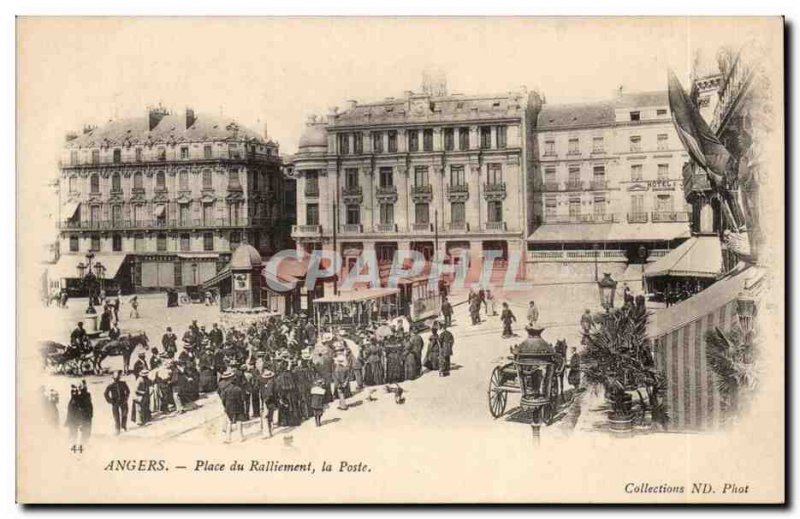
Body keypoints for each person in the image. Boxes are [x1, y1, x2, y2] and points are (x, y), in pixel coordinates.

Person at [218, 369, 246, 443]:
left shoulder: (224, 388)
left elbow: (223, 399)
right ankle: (241, 437)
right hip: (238, 407)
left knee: (229, 422)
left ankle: (228, 438)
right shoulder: (238, 389)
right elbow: (242, 399)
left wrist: (225, 406)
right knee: (239, 421)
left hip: (228, 407)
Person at [66, 381, 93, 445]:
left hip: (84, 417)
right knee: (73, 434)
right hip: (76, 417)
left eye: (80, 387)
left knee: (85, 433)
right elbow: (71, 409)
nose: (76, 389)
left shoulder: (85, 396)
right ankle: (74, 444)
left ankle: (83, 445)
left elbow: (87, 409)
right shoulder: (74, 397)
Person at [104, 370, 130, 435]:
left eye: (118, 378)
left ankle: (123, 426)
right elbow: (105, 393)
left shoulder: (123, 383)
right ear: (113, 378)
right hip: (115, 402)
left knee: (124, 413)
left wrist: (126, 398)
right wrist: (110, 401)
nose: (116, 380)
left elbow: (128, 391)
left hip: (123, 401)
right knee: (116, 416)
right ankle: (117, 429)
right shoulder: (111, 385)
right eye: (115, 378)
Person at [259, 369, 277, 438]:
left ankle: (267, 433)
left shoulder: (270, 384)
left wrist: (264, 402)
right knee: (270, 417)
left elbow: (270, 394)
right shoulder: (271, 383)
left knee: (266, 417)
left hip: (268, 402)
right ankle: (270, 431)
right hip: (271, 402)